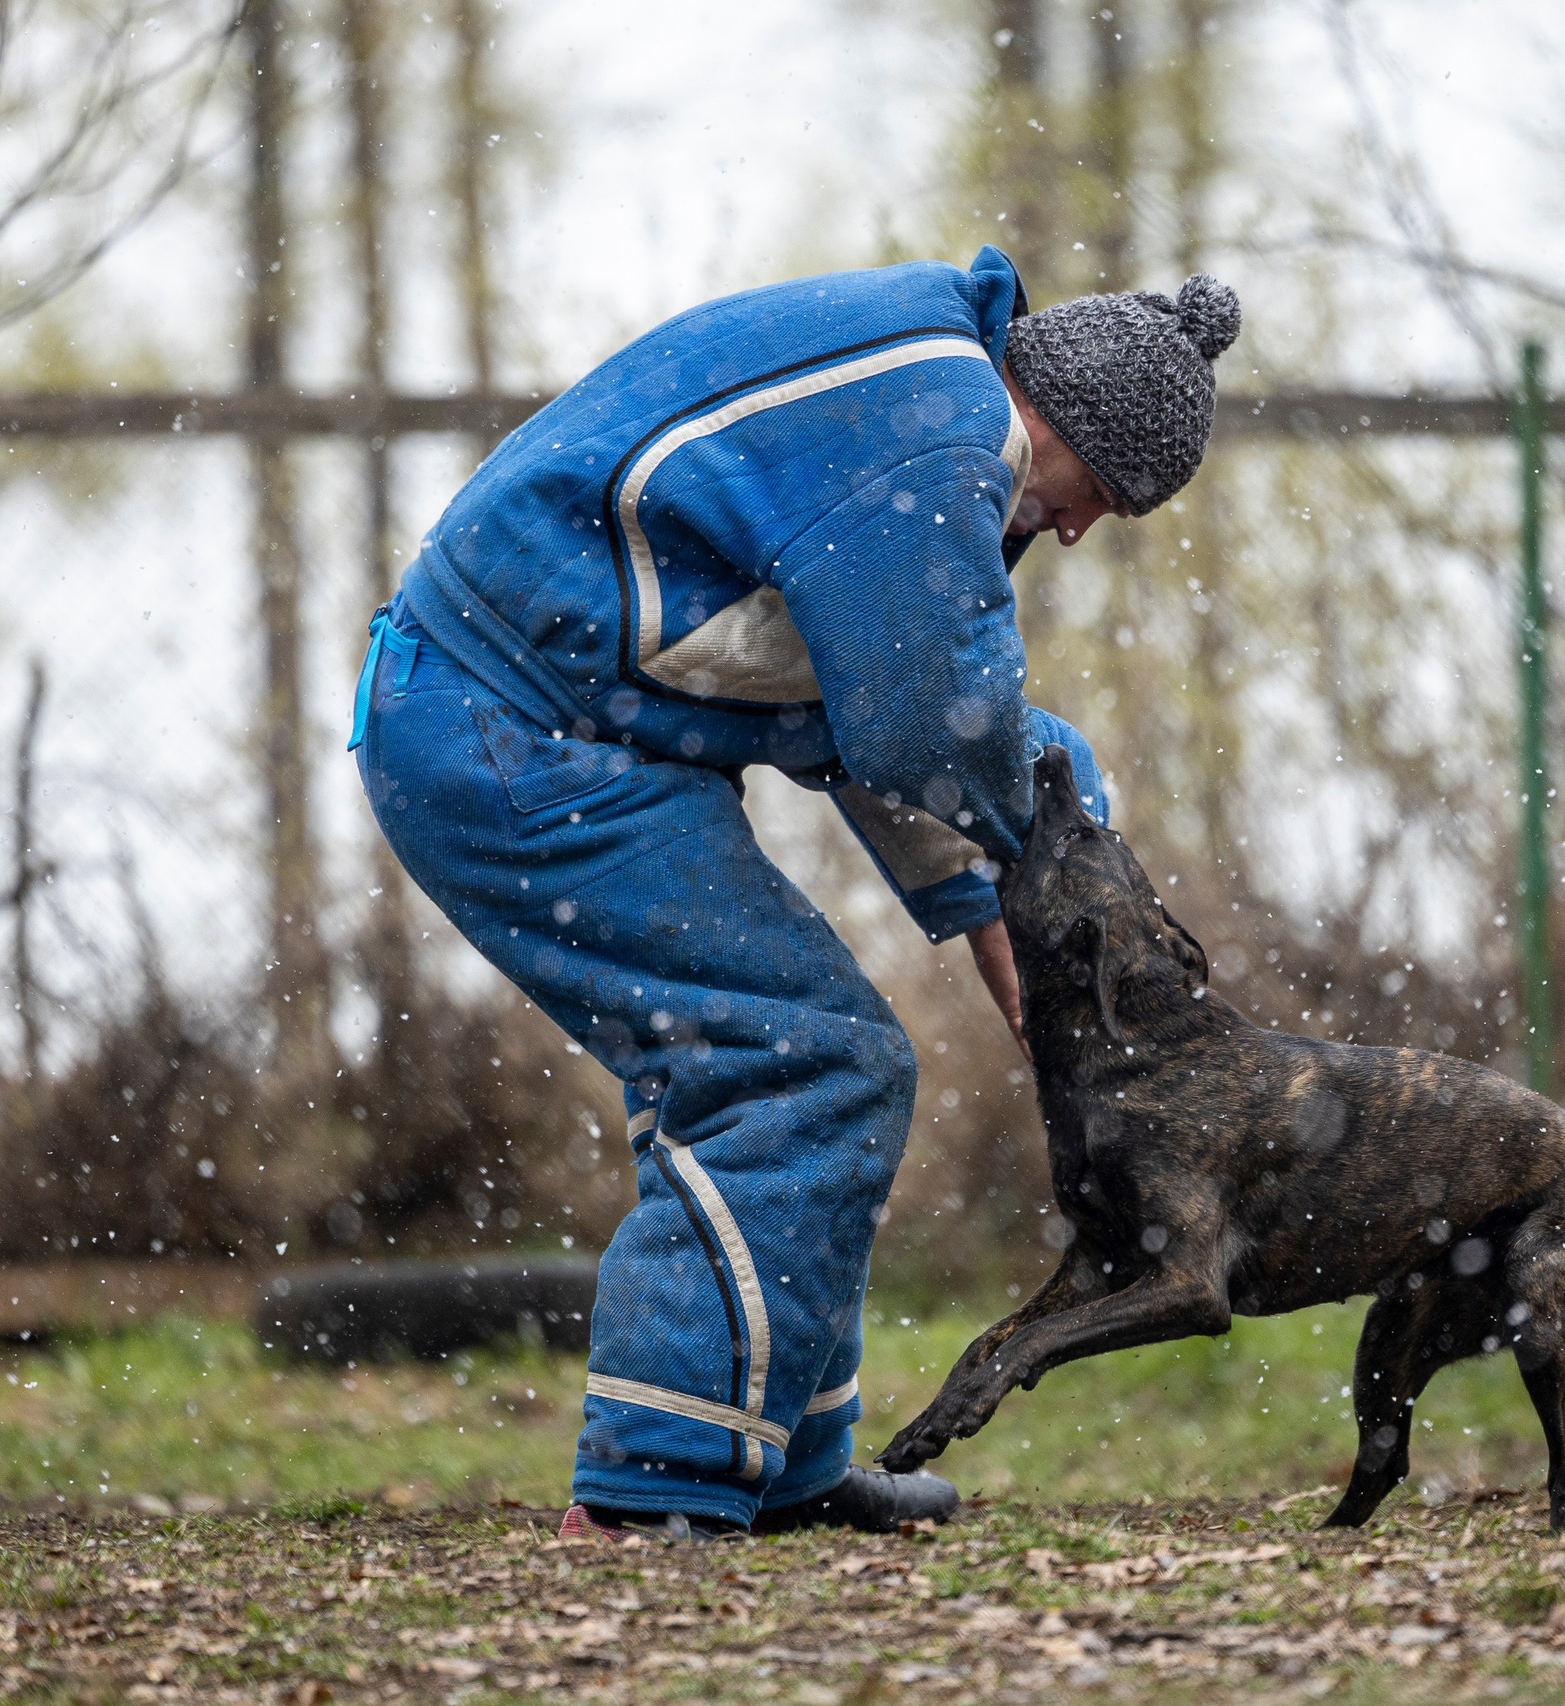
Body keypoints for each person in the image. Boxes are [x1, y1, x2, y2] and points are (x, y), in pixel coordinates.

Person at [349, 246, 1239, 1539]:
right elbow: (934, 720)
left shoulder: (923, 415)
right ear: (1068, 423)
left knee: (823, 1058)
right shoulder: (939, 440)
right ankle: (656, 1486)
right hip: (504, 727)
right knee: (796, 1060)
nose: (1081, 525)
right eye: (1101, 492)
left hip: (537, 719)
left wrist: (1023, 956)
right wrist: (1068, 870)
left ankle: (778, 1452)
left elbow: (872, 714)